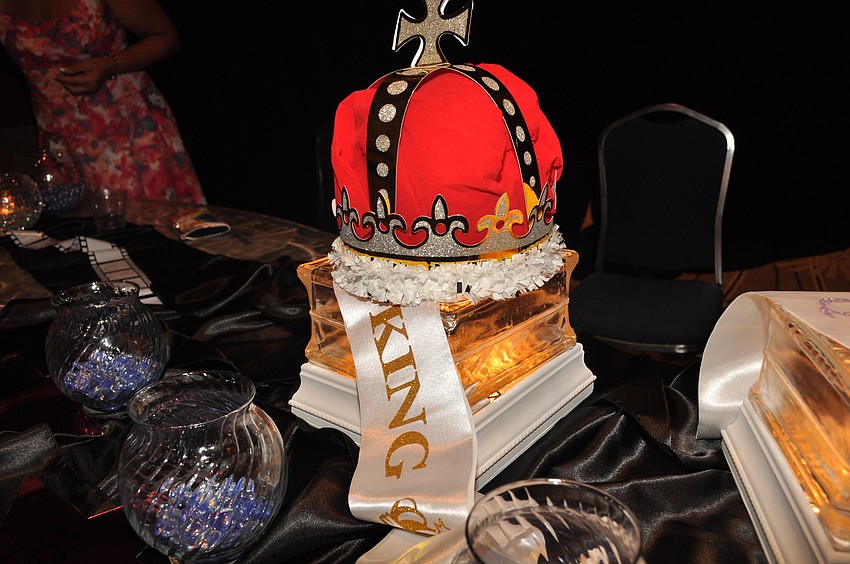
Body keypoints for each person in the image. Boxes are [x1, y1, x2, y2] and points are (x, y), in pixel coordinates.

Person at [0, 0, 205, 203]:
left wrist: (111, 66)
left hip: (126, 132)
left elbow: (167, 38)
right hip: (60, 144)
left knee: (146, 219)